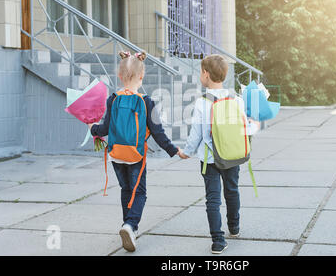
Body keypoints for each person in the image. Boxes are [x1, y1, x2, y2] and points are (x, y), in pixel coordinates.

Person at [88, 50, 181, 252]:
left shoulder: (113, 99)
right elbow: (158, 132)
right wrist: (174, 150)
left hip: (116, 155)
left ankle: (127, 225)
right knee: (139, 193)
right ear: (142, 75)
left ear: (119, 76)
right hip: (136, 155)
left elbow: (103, 129)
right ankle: (130, 226)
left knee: (125, 190)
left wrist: (92, 128)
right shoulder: (147, 102)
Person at [178, 54, 260, 254]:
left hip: (210, 159)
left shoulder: (202, 103)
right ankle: (234, 226)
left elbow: (196, 133)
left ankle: (218, 241)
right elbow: (245, 128)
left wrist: (186, 152)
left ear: (205, 74)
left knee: (212, 199)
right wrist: (255, 127)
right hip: (232, 156)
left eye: (200, 71)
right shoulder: (237, 100)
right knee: (232, 191)